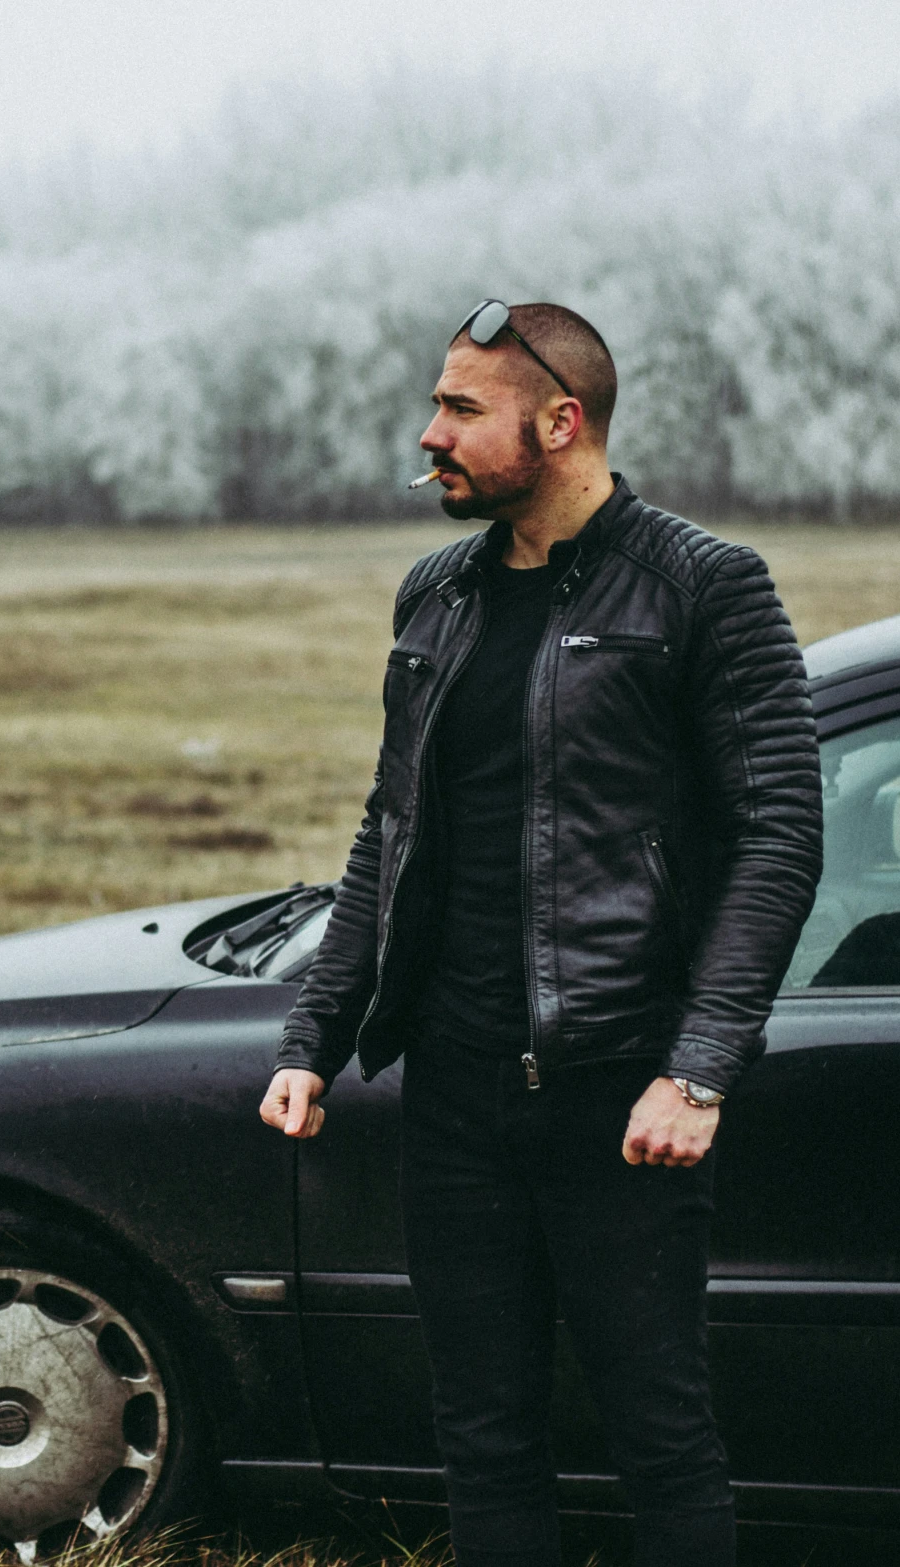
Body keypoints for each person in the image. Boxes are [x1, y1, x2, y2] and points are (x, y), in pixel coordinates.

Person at [257, 301, 823, 1567]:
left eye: (461, 410)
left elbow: (778, 837)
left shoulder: (701, 586)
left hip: (618, 1090)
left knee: (657, 1432)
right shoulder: (438, 594)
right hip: (453, 1094)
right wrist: (316, 1031)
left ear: (560, 424)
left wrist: (698, 1067)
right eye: (438, 405)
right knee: (482, 1432)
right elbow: (389, 829)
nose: (429, 433)